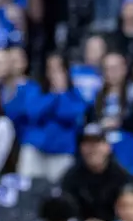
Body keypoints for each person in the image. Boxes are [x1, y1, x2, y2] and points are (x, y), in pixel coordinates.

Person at [6, 53, 87, 182]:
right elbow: (33, 113)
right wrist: (54, 96)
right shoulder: (35, 90)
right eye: (50, 69)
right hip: (35, 148)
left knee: (57, 196)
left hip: (61, 152)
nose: (54, 74)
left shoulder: (75, 95)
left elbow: (71, 115)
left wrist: (62, 94)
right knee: (26, 190)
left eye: (59, 69)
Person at [50, 125, 131, 221]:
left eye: (97, 143)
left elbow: (130, 209)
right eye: (87, 144)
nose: (92, 149)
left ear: (108, 147)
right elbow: (65, 210)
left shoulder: (121, 176)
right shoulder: (71, 176)